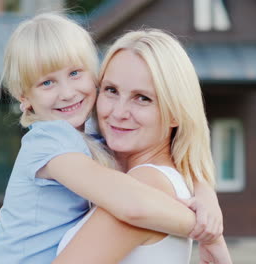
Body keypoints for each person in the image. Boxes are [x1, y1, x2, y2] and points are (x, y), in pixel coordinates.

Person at [0, 13, 223, 263]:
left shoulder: (101, 143)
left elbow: (140, 199)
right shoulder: (50, 140)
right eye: (111, 90)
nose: (66, 93)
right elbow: (135, 205)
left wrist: (206, 197)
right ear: (24, 98)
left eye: (75, 73)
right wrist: (208, 232)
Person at [54, 29, 232, 264]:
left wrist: (210, 231)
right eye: (111, 90)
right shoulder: (136, 176)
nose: (118, 113)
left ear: (175, 113)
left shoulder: (146, 184)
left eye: (142, 98)